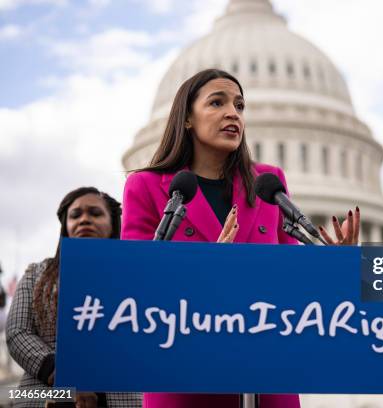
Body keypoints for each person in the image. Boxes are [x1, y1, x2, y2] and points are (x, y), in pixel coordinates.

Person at [121, 68, 360, 408]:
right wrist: (210, 266)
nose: (233, 112)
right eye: (217, 103)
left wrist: (334, 267)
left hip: (266, 375)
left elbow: (291, 281)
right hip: (183, 376)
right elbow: (133, 285)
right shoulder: (147, 186)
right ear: (187, 118)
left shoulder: (268, 183)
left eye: (239, 105)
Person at [6, 187, 142, 408]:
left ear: (113, 223)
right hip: (45, 395)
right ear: (66, 225)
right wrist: (62, 376)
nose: (84, 219)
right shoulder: (36, 273)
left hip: (120, 398)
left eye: (95, 213)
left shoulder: (135, 276)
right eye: (76, 215)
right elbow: (17, 332)